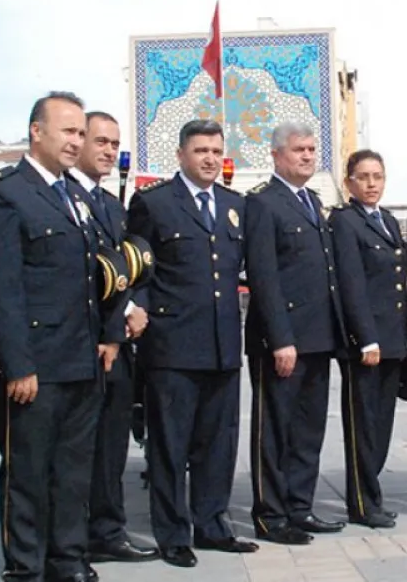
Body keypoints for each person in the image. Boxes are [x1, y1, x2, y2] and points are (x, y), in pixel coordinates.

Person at [0, 91, 123, 581]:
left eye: (81, 132)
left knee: (73, 471)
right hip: (35, 366)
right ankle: (25, 567)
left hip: (80, 360)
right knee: (28, 474)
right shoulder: (6, 193)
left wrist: (107, 334)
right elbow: (1, 289)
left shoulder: (76, 197)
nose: (76, 141)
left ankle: (68, 559)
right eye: (68, 131)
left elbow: (93, 277)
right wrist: (18, 365)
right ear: (36, 132)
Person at [126, 120, 257, 566]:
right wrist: (138, 315)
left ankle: (213, 524)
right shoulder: (154, 203)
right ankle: (173, 533)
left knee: (217, 444)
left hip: (222, 345)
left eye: (216, 150)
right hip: (173, 348)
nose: (209, 158)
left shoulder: (234, 204)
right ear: (180, 155)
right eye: (200, 150)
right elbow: (139, 271)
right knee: (170, 445)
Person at [244, 122, 347, 544]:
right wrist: (280, 339)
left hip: (319, 337)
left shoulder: (312, 202)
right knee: (276, 430)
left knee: (308, 429)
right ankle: (271, 513)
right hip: (283, 342)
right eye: (298, 150)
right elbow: (265, 278)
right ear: (276, 155)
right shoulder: (264, 205)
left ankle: (300, 506)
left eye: (311, 149)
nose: (307, 156)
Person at [67, 111, 159, 563]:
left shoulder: (112, 206)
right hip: (79, 343)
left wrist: (136, 307)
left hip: (119, 345)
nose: (106, 151)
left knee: (111, 445)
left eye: (114, 143)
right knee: (75, 449)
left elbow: (135, 263)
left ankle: (108, 529)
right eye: (99, 141)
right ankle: (70, 537)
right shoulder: (61, 197)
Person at [328, 149, 407, 529]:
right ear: (349, 183)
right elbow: (351, 284)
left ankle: (372, 494)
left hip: (393, 338)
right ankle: (361, 503)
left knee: (381, 425)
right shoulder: (345, 222)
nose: (372, 183)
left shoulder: (389, 221)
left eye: (377, 176)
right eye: (363, 177)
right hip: (367, 344)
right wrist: (366, 338)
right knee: (363, 425)